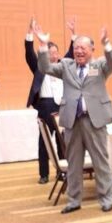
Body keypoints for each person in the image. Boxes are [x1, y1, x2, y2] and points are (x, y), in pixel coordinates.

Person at [36, 27, 112, 213]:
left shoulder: (99, 66)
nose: (79, 51)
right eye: (76, 48)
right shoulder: (66, 66)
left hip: (95, 120)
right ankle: (73, 200)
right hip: (72, 121)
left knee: (101, 162)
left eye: (83, 48)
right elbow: (45, 68)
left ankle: (106, 199)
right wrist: (43, 45)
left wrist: (106, 43)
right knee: (73, 163)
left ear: (92, 50)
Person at [25, 17, 74, 184]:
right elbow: (29, 53)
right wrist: (30, 33)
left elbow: (72, 52)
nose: (54, 55)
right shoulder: (39, 66)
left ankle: (63, 172)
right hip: (45, 105)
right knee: (45, 141)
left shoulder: (63, 66)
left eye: (55, 52)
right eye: (50, 52)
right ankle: (44, 174)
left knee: (63, 140)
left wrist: (73, 33)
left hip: (61, 106)